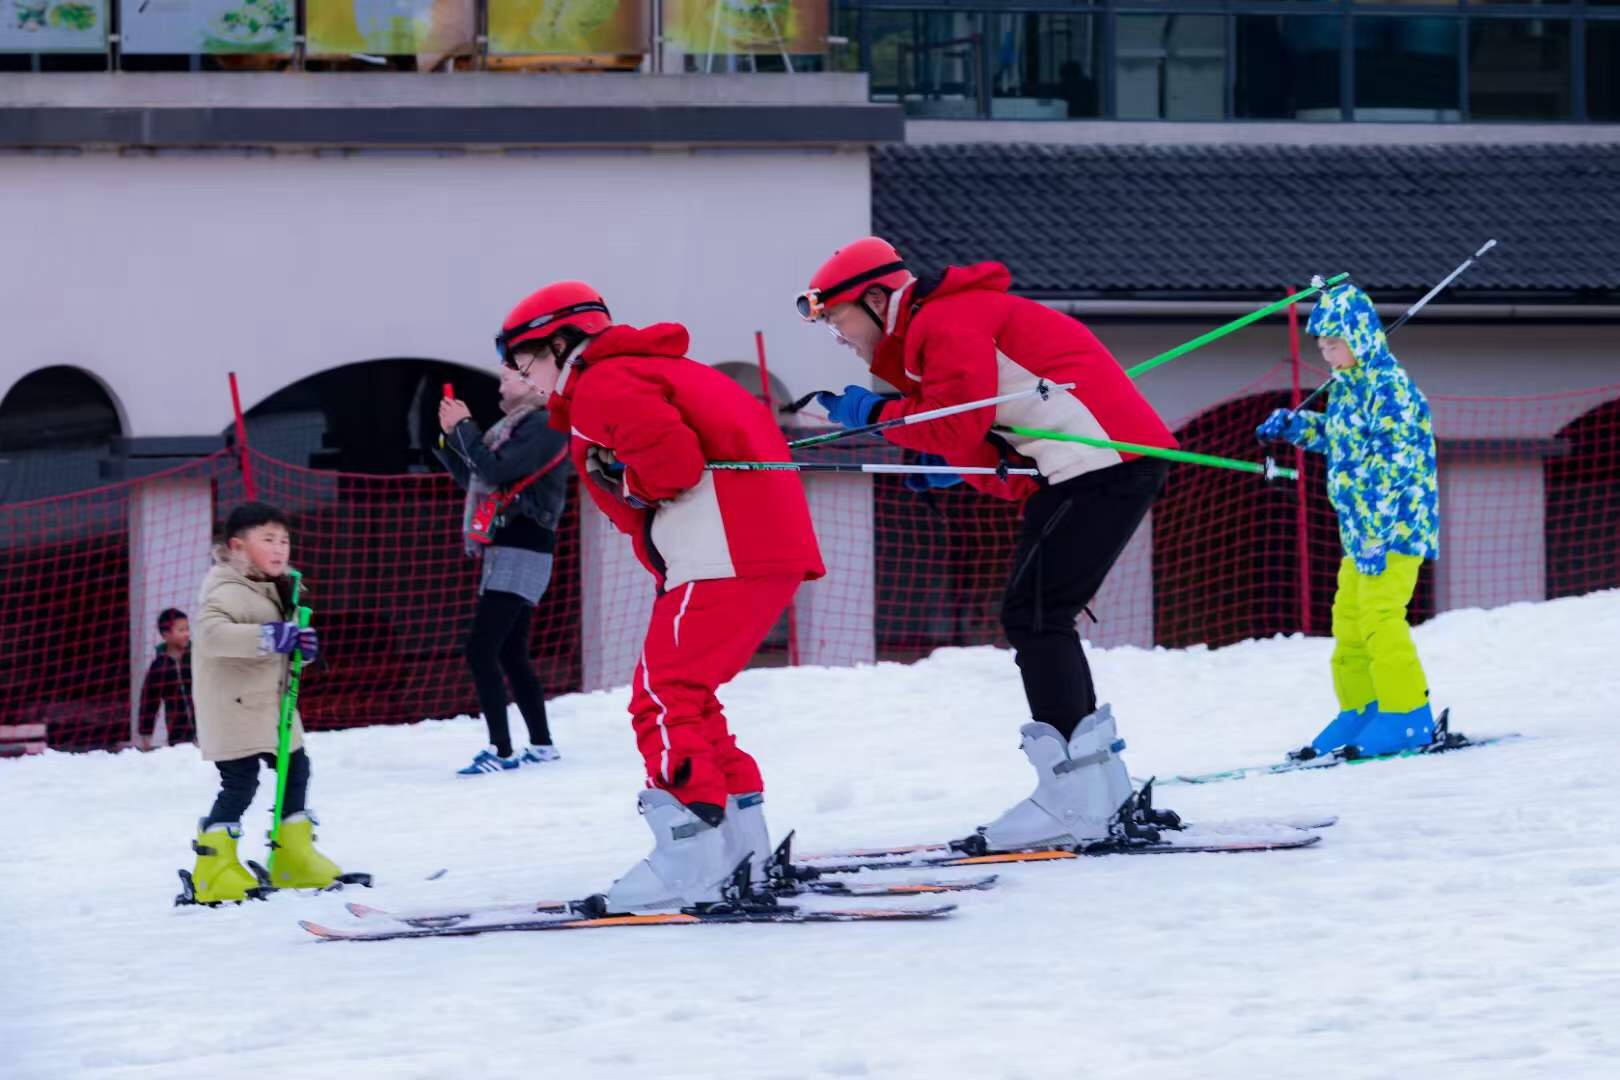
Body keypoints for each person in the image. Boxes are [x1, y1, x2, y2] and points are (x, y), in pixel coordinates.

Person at [797, 237, 1179, 852]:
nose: (839, 335)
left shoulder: (946, 320)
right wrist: (949, 459)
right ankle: (1099, 790)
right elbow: (974, 433)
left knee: (1034, 616)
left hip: (1100, 465)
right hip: (1092, 467)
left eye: (838, 317)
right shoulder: (940, 326)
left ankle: (1072, 798)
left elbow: (952, 421)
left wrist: (879, 414)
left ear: (874, 298)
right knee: (1040, 615)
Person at [493, 280, 824, 911]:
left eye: (525, 359)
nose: (522, 375)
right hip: (750, 548)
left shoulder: (601, 383)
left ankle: (690, 851)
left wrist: (629, 479)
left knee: (662, 695)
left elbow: (672, 469)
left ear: (561, 342)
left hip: (721, 549)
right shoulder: (652, 372)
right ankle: (739, 847)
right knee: (689, 698)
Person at [1256, 283, 1442, 759]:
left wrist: (1379, 532)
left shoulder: (1391, 389)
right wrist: (1296, 426)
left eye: (1334, 343)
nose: (1326, 352)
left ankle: (1406, 714)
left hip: (1395, 528)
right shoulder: (1347, 387)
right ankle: (1362, 708)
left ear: (1360, 338)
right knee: (1350, 622)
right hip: (1360, 531)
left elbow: (1395, 464)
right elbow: (1341, 438)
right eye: (1321, 345)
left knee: (1381, 616)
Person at [183, 502, 349, 904]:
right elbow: (211, 635)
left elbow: (283, 645)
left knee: (296, 768)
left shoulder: (277, 586)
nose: (279, 549)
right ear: (238, 546)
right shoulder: (226, 587)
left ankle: (292, 856)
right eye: (268, 540)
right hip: (234, 707)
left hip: (271, 706)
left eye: (285, 541)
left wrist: (302, 649)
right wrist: (272, 637)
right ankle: (213, 869)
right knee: (240, 782)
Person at [435, 356, 572, 776]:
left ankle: (502, 749)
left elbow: (492, 468)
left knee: (481, 649)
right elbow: (476, 473)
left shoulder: (544, 424)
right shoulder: (517, 428)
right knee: (510, 651)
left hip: (522, 544)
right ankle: (542, 744)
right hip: (512, 545)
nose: (500, 386)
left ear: (534, 384)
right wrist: (448, 439)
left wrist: (463, 427)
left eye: (507, 378)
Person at [136, 607, 195, 749]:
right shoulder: (160, 666)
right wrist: (146, 734)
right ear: (165, 634)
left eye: (187, 629)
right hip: (179, 735)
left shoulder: (198, 657)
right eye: (181, 630)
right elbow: (149, 702)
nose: (187, 634)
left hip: (208, 731)